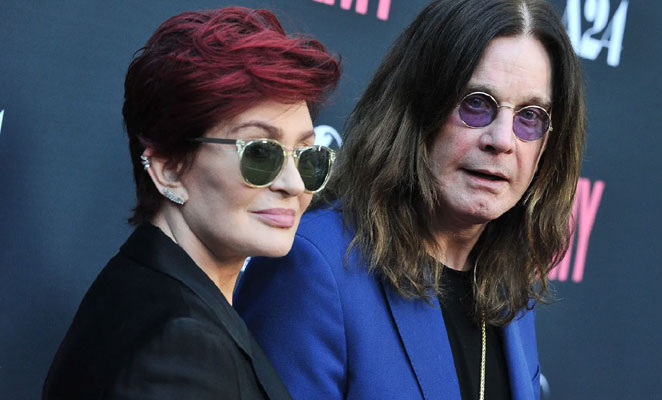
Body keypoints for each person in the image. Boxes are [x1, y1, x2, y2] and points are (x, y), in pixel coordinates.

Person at [234, 0, 585, 399]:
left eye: (530, 116)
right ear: (417, 108)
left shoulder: (509, 290)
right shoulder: (314, 264)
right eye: (476, 103)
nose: (502, 140)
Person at [43, 7, 340, 399]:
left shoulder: (146, 291)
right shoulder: (180, 347)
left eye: (307, 156)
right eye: (260, 152)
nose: (294, 184)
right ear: (168, 169)